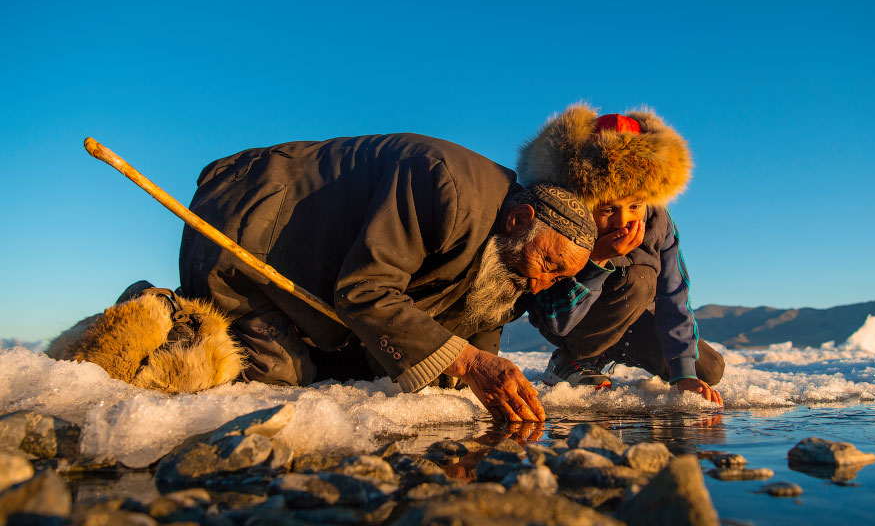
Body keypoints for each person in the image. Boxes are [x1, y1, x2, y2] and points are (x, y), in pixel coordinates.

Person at [178, 132, 599, 421]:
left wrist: (477, 381)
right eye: (550, 265)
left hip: (321, 272)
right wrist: (470, 364)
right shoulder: (444, 187)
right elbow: (365, 291)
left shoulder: (514, 252)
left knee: (360, 381)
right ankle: (165, 313)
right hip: (247, 230)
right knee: (280, 391)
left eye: (559, 278)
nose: (543, 285)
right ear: (518, 219)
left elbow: (480, 320)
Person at [516, 104, 725, 406]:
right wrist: (597, 260)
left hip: (629, 317)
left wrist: (683, 373)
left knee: (709, 369)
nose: (623, 221)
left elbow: (673, 293)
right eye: (609, 208)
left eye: (634, 206)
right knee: (638, 279)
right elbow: (554, 319)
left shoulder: (658, 221)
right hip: (570, 320)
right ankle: (573, 360)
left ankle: (610, 350)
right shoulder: (563, 219)